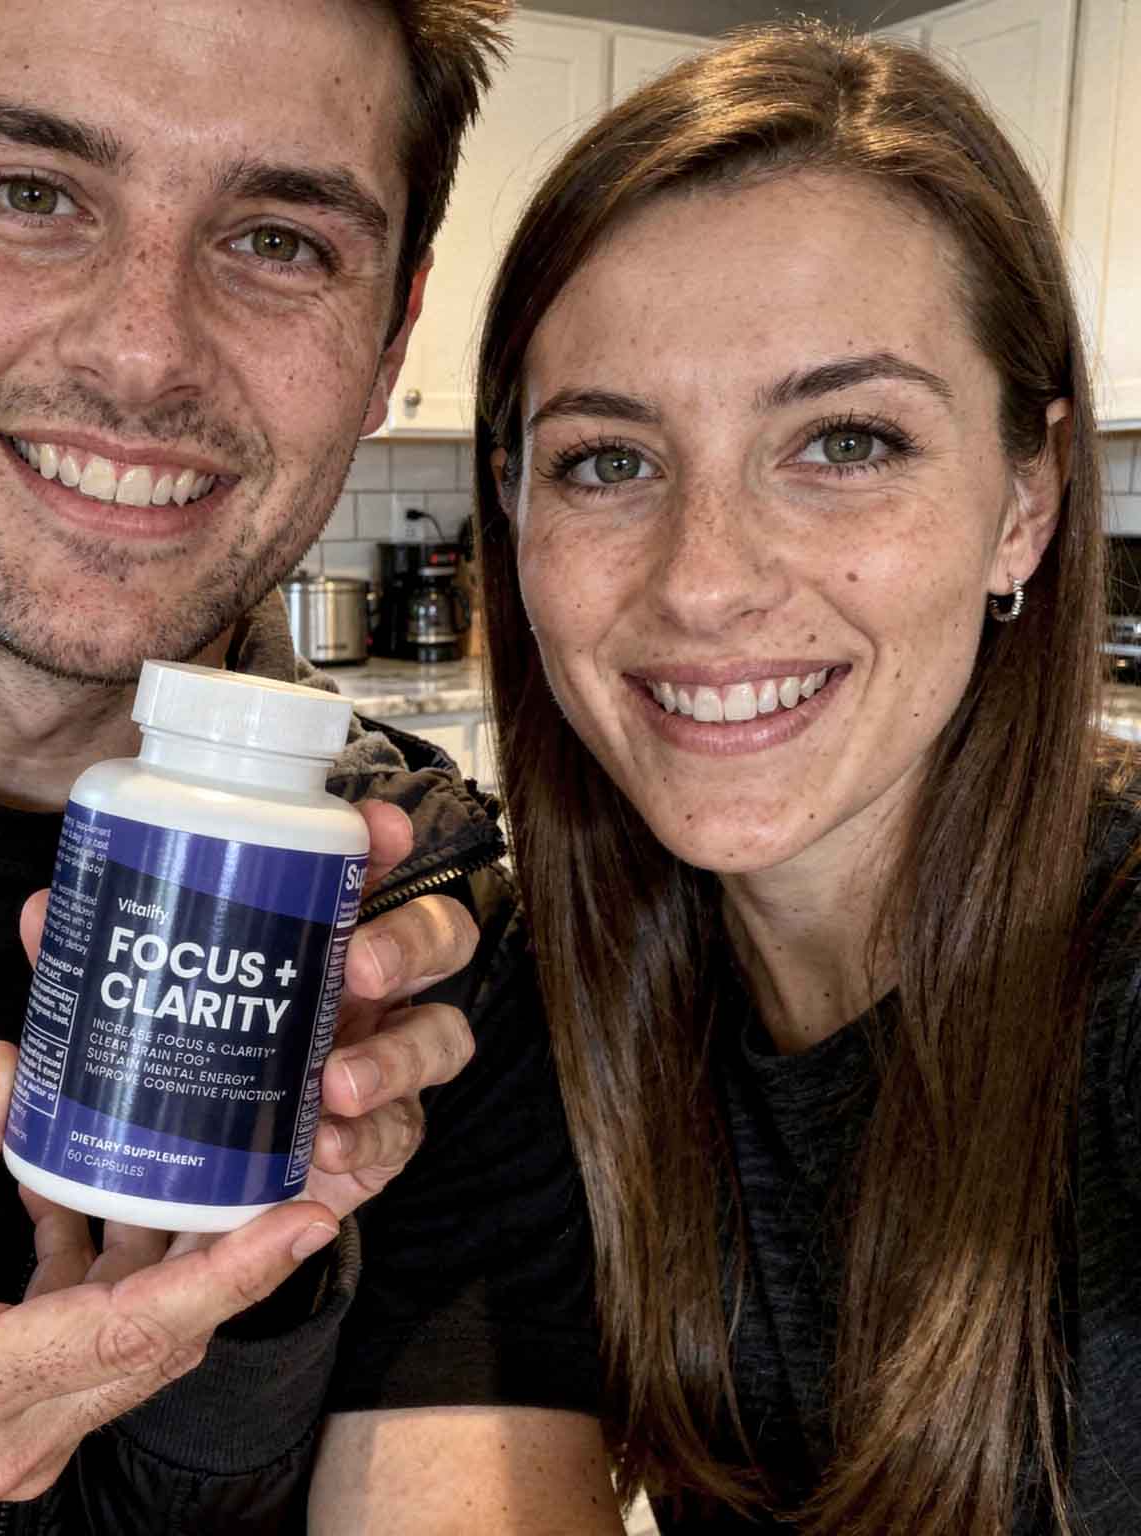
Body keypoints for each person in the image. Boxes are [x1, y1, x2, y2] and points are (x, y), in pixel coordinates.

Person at [0, 0, 614, 1531]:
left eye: (278, 240)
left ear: (389, 341)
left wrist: (258, 1300)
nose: (145, 353)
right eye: (30, 193)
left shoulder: (425, 937)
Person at [474, 19, 1138, 1535]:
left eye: (844, 441)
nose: (705, 582)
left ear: (1026, 501)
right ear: (513, 512)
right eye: (608, 461)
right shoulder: (561, 1003)